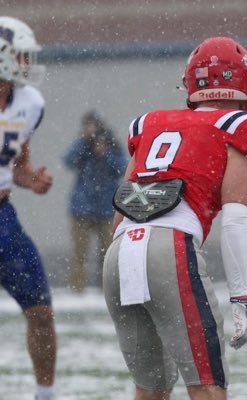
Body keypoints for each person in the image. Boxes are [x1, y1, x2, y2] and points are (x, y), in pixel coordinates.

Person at [103, 36, 247, 400]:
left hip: (119, 254)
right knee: (207, 386)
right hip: (171, 250)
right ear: (244, 84)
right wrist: (240, 297)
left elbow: (120, 213)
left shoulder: (149, 124)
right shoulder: (242, 126)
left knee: (150, 389)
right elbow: (234, 217)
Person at [0, 16, 57, 400]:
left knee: (40, 310)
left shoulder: (29, 103)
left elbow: (16, 166)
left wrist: (30, 178)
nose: (26, 63)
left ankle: (45, 394)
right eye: (20, 55)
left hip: (3, 217)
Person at [64, 110, 127, 291]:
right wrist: (84, 143)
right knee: (79, 253)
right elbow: (68, 161)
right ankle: (77, 289)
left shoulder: (111, 143)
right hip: (81, 208)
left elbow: (123, 167)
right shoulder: (82, 146)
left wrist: (105, 152)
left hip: (107, 208)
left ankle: (106, 289)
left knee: (108, 253)